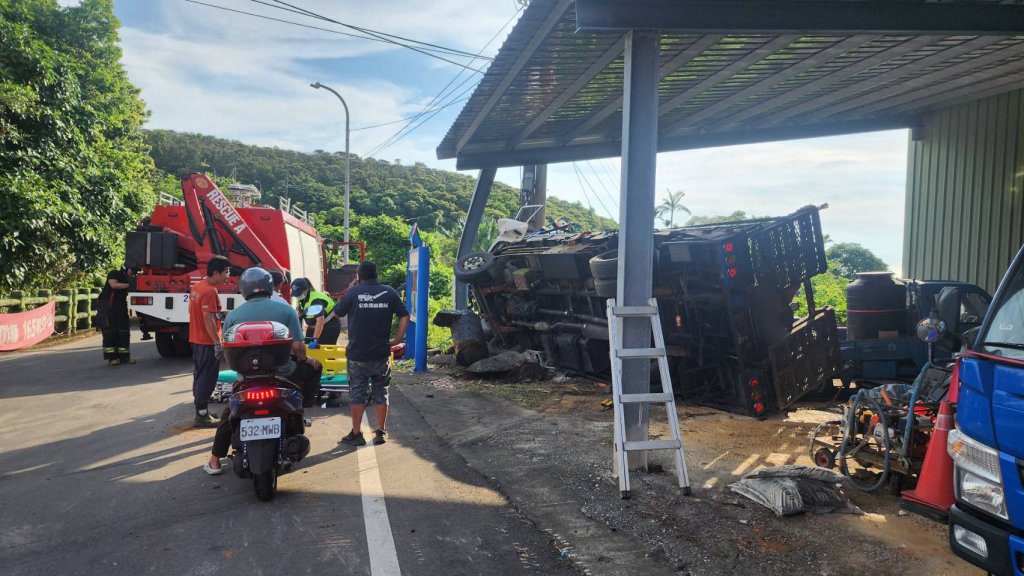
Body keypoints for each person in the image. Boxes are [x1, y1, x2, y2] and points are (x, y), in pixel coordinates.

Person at [204, 267, 323, 475]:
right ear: (270, 287)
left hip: (247, 378)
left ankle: (214, 460)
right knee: (315, 368)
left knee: (229, 415)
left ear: (244, 289)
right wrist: (306, 359)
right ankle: (301, 409)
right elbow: (297, 347)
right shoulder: (286, 310)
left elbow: (227, 348)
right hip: (282, 374)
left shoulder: (234, 315)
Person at [335, 261, 409, 446]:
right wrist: (398, 339)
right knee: (381, 392)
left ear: (359, 276)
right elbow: (404, 315)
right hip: (380, 353)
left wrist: (351, 287)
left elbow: (337, 312)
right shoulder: (389, 292)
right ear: (377, 274)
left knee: (357, 393)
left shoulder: (352, 293)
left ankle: (356, 433)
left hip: (357, 355)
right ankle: (381, 431)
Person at [189, 255, 231, 428]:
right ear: (216, 273)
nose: (227, 276)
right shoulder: (209, 291)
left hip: (196, 339)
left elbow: (202, 312)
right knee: (207, 378)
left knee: (200, 375)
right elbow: (207, 319)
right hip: (206, 341)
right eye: (226, 272)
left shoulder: (198, 287)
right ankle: (202, 416)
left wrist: (222, 314)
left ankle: (203, 411)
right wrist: (216, 342)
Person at [97, 266, 135, 366]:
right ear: (126, 269)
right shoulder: (114, 273)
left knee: (124, 331)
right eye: (132, 270)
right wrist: (130, 285)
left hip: (121, 306)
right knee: (110, 332)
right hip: (107, 306)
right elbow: (114, 285)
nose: (132, 273)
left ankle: (125, 357)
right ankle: (112, 358)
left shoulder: (130, 279)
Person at [290, 277, 341, 346]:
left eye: (298, 294)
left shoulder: (315, 300)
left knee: (324, 352)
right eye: (295, 294)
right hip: (314, 326)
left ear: (306, 290)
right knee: (308, 348)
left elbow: (320, 320)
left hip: (329, 325)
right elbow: (298, 317)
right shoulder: (301, 299)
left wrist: (315, 339)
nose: (297, 296)